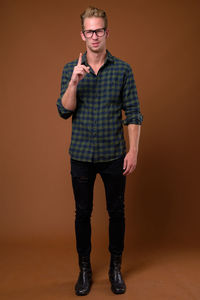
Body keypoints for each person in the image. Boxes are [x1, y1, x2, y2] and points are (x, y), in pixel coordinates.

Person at [56, 6, 143, 296]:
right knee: (82, 213)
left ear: (107, 32)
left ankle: (115, 268)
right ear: (83, 35)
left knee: (116, 212)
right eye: (89, 31)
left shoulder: (123, 69)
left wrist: (133, 151)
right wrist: (73, 83)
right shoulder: (71, 69)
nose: (95, 36)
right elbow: (64, 111)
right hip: (80, 155)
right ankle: (84, 269)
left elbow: (133, 113)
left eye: (99, 30)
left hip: (114, 155)